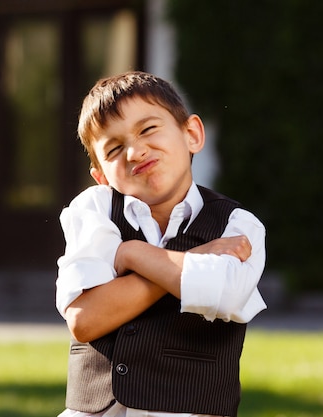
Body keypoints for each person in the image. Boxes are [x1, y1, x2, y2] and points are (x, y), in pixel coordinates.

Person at [55, 71, 266, 417]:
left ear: (192, 135)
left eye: (148, 129)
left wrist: (132, 255)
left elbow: (223, 295)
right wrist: (194, 259)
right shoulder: (94, 211)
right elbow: (85, 318)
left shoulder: (237, 225)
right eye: (114, 148)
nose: (136, 151)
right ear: (101, 176)